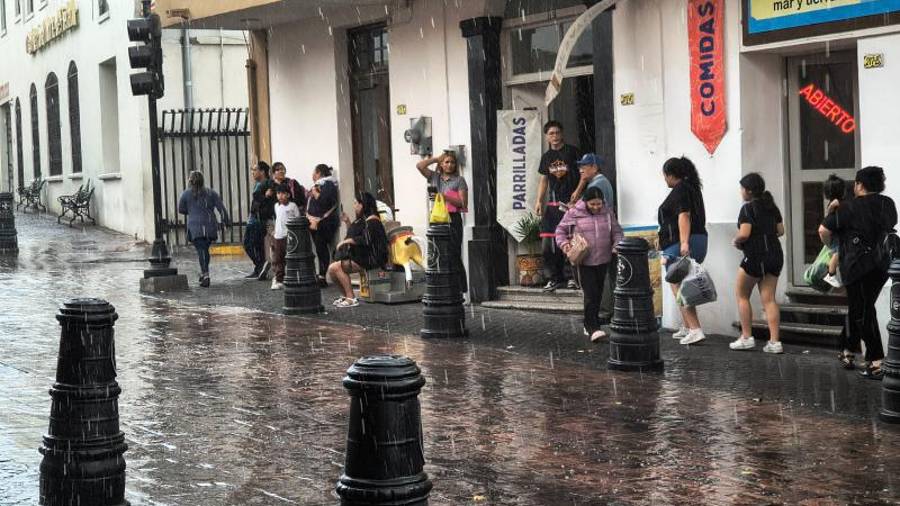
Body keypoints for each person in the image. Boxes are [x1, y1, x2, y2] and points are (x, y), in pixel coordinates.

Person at [819, 166, 897, 379]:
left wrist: (834, 247)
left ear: (859, 184)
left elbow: (823, 230)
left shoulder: (848, 207)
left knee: (863, 311)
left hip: (855, 265)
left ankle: (876, 361)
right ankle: (847, 349)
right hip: (881, 265)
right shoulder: (888, 204)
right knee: (861, 306)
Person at [555, 187, 624, 343]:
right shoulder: (574, 213)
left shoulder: (607, 212)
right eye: (592, 204)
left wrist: (617, 245)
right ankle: (593, 327)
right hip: (584, 260)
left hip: (604, 259)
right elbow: (560, 230)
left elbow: (617, 232)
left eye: (598, 204)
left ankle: (590, 323)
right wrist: (564, 244)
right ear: (585, 202)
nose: (596, 207)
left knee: (598, 293)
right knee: (590, 293)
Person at [729, 173, 785, 354]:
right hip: (775, 255)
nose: (741, 192)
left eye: (742, 189)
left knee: (742, 294)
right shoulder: (771, 206)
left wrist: (736, 241)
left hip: (755, 255)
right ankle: (775, 342)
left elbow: (745, 233)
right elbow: (780, 231)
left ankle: (746, 337)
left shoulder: (747, 209)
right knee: (769, 299)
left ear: (749, 191)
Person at [658, 156, 708, 345]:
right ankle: (688, 326)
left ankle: (695, 329)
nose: (664, 180)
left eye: (665, 175)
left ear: (670, 175)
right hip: (699, 239)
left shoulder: (680, 190)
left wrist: (684, 243)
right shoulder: (693, 189)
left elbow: (684, 216)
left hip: (680, 243)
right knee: (681, 284)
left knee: (680, 286)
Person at [534, 120, 581, 292]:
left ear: (562, 134)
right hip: (553, 205)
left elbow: (583, 175)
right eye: (551, 133)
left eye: (557, 132)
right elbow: (544, 179)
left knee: (571, 241)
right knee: (548, 243)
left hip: (571, 204)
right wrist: (539, 200)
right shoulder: (546, 157)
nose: (554, 136)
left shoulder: (572, 152)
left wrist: (577, 194)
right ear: (547, 137)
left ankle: (571, 277)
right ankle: (553, 278)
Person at [415, 150, 468, 293]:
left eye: (452, 162)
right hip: (437, 221)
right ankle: (444, 289)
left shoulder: (459, 180)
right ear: (441, 164)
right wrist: (436, 159)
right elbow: (419, 166)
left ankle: (460, 289)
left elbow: (463, 203)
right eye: (447, 162)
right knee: (439, 255)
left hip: (453, 220)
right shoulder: (434, 177)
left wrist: (445, 197)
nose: (450, 165)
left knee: (454, 254)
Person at [327, 192, 389, 308]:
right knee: (332, 269)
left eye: (356, 203)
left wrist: (347, 241)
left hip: (373, 258)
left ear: (362, 205)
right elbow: (356, 234)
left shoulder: (373, 221)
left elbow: (365, 239)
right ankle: (345, 296)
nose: (354, 206)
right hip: (364, 256)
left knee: (336, 267)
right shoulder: (364, 220)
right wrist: (347, 222)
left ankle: (351, 297)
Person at [576, 153, 616, 321]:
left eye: (584, 167)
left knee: (601, 275)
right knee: (600, 274)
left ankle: (604, 311)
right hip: (600, 233)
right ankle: (601, 310)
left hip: (599, 235)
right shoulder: (600, 182)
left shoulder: (599, 183)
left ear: (593, 167)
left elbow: (595, 210)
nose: (581, 170)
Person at [177, 171, 229, 288]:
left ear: (190, 181)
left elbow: (181, 209)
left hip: (195, 227)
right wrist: (226, 220)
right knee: (204, 249)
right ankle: (204, 273)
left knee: (201, 249)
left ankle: (205, 274)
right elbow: (221, 208)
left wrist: (191, 210)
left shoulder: (186, 194)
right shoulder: (211, 193)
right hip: (209, 225)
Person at [307, 163, 340, 288]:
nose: (312, 175)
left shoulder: (328, 185)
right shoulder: (320, 185)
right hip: (314, 222)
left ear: (319, 173)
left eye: (314, 173)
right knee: (319, 248)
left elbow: (325, 202)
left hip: (324, 222)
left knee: (322, 248)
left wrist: (315, 194)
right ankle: (320, 274)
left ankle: (322, 276)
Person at [244, 161, 276, 280]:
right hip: (253, 218)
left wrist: (264, 197)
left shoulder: (267, 184)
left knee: (253, 244)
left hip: (259, 220)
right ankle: (259, 267)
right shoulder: (258, 184)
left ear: (262, 171)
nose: (253, 172)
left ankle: (260, 267)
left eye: (255, 169)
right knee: (252, 244)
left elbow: (266, 201)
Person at [271, 184, 301, 291]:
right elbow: (278, 219)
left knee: (291, 258)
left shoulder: (292, 206)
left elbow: (297, 219)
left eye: (283, 193)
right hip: (278, 236)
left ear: (288, 194)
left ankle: (293, 278)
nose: (280, 196)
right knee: (278, 259)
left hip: (289, 236)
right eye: (278, 193)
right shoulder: (276, 206)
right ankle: (278, 279)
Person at [822, 175, 847, 288]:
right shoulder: (837, 203)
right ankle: (830, 274)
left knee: (837, 254)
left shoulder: (833, 203)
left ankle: (832, 273)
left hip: (836, 235)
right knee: (837, 253)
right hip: (839, 236)